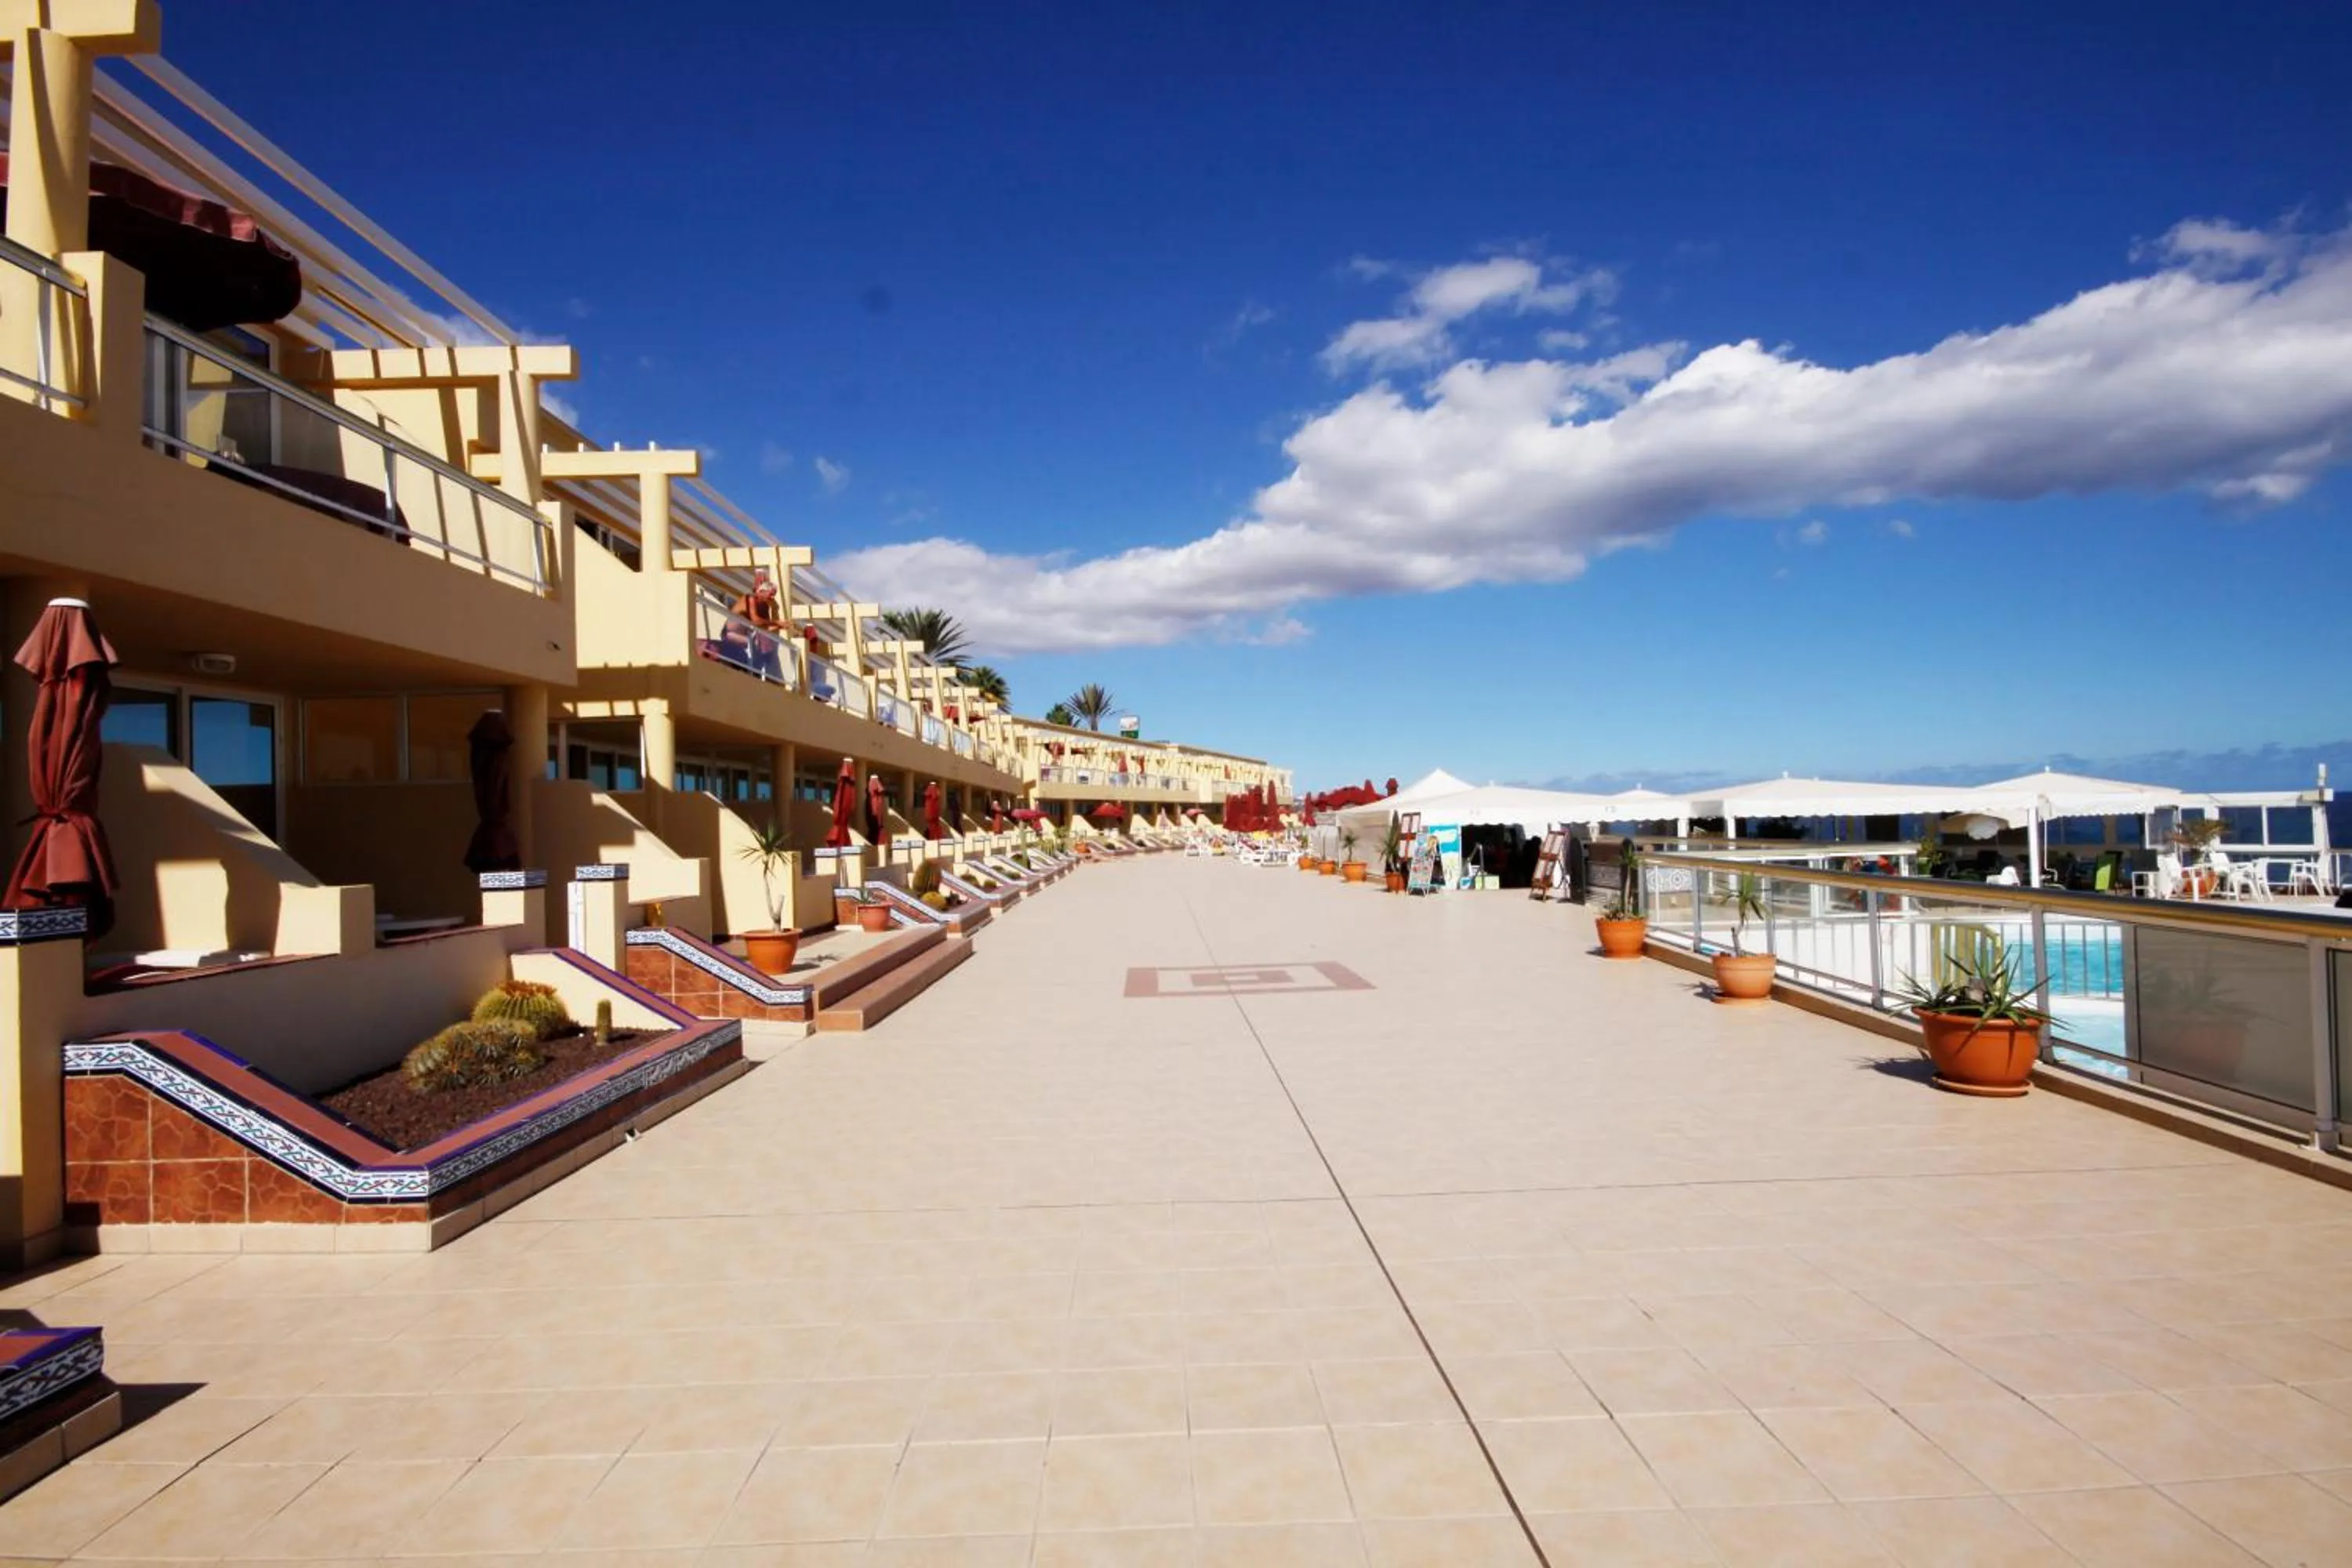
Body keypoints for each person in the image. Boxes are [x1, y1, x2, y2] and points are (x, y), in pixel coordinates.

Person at [724, 571, 789, 681]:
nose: (772, 597)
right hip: (730, 635)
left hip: (746, 639)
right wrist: (776, 622)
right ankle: (756, 673)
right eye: (771, 594)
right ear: (762, 591)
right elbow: (756, 621)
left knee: (760, 644)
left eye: (774, 595)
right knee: (756, 644)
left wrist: (780, 625)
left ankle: (757, 674)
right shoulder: (751, 598)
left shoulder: (764, 607)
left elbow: (765, 628)